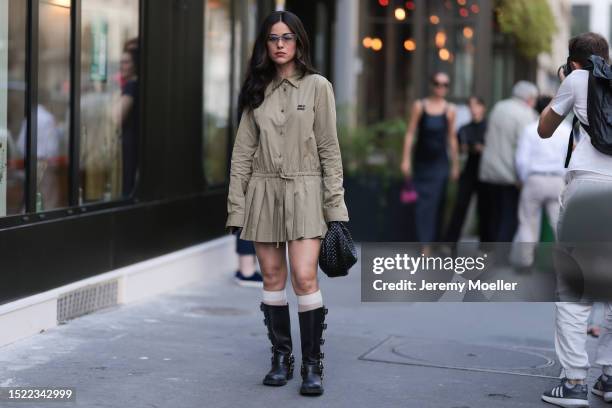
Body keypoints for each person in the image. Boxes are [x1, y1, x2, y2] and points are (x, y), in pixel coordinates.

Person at [225, 11, 349, 396]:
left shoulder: (318, 87)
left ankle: (312, 365)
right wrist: (236, 207)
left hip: (307, 190)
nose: (280, 44)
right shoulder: (255, 90)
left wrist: (336, 208)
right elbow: (242, 154)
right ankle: (281, 358)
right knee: (273, 278)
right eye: (273, 38)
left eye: (288, 37)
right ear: (265, 44)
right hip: (262, 192)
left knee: (304, 276)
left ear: (299, 43)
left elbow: (330, 149)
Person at [538, 32, 612, 408]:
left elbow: (544, 128)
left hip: (588, 188)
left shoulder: (577, 79)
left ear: (574, 61)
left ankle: (573, 383)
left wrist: (565, 80)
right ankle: (610, 378)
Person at [509, 95, 570, 267]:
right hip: (557, 180)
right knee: (559, 224)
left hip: (534, 179)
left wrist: (523, 178)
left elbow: (521, 159)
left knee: (528, 222)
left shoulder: (529, 129)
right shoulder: (566, 129)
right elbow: (570, 158)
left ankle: (525, 262)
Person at [401, 72, 460, 250]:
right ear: (431, 85)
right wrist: (405, 159)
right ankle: (424, 243)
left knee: (438, 203)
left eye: (445, 84)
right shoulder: (420, 106)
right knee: (422, 205)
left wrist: (456, 164)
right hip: (422, 162)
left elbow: (451, 138)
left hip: (440, 163)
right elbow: (411, 132)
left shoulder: (450, 110)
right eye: (437, 83)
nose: (440, 88)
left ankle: (433, 241)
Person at [479, 81, 538, 242]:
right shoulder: (526, 114)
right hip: (510, 173)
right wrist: (522, 175)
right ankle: (501, 254)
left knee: (493, 214)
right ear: (529, 98)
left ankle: (488, 249)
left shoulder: (499, 107)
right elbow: (524, 148)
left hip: (489, 170)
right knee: (508, 215)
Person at [444, 96, 487, 243]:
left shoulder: (488, 127)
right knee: (460, 206)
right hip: (468, 169)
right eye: (471, 106)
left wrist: (481, 148)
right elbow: (457, 148)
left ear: (483, 108)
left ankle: (485, 245)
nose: (474, 109)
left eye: (476, 106)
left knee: (484, 209)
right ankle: (450, 244)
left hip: (484, 172)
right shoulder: (464, 129)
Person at [115, 40, 139, 197]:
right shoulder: (133, 85)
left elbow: (116, 117)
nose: (122, 65)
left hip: (130, 146)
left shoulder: (131, 86)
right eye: (121, 62)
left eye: (126, 62)